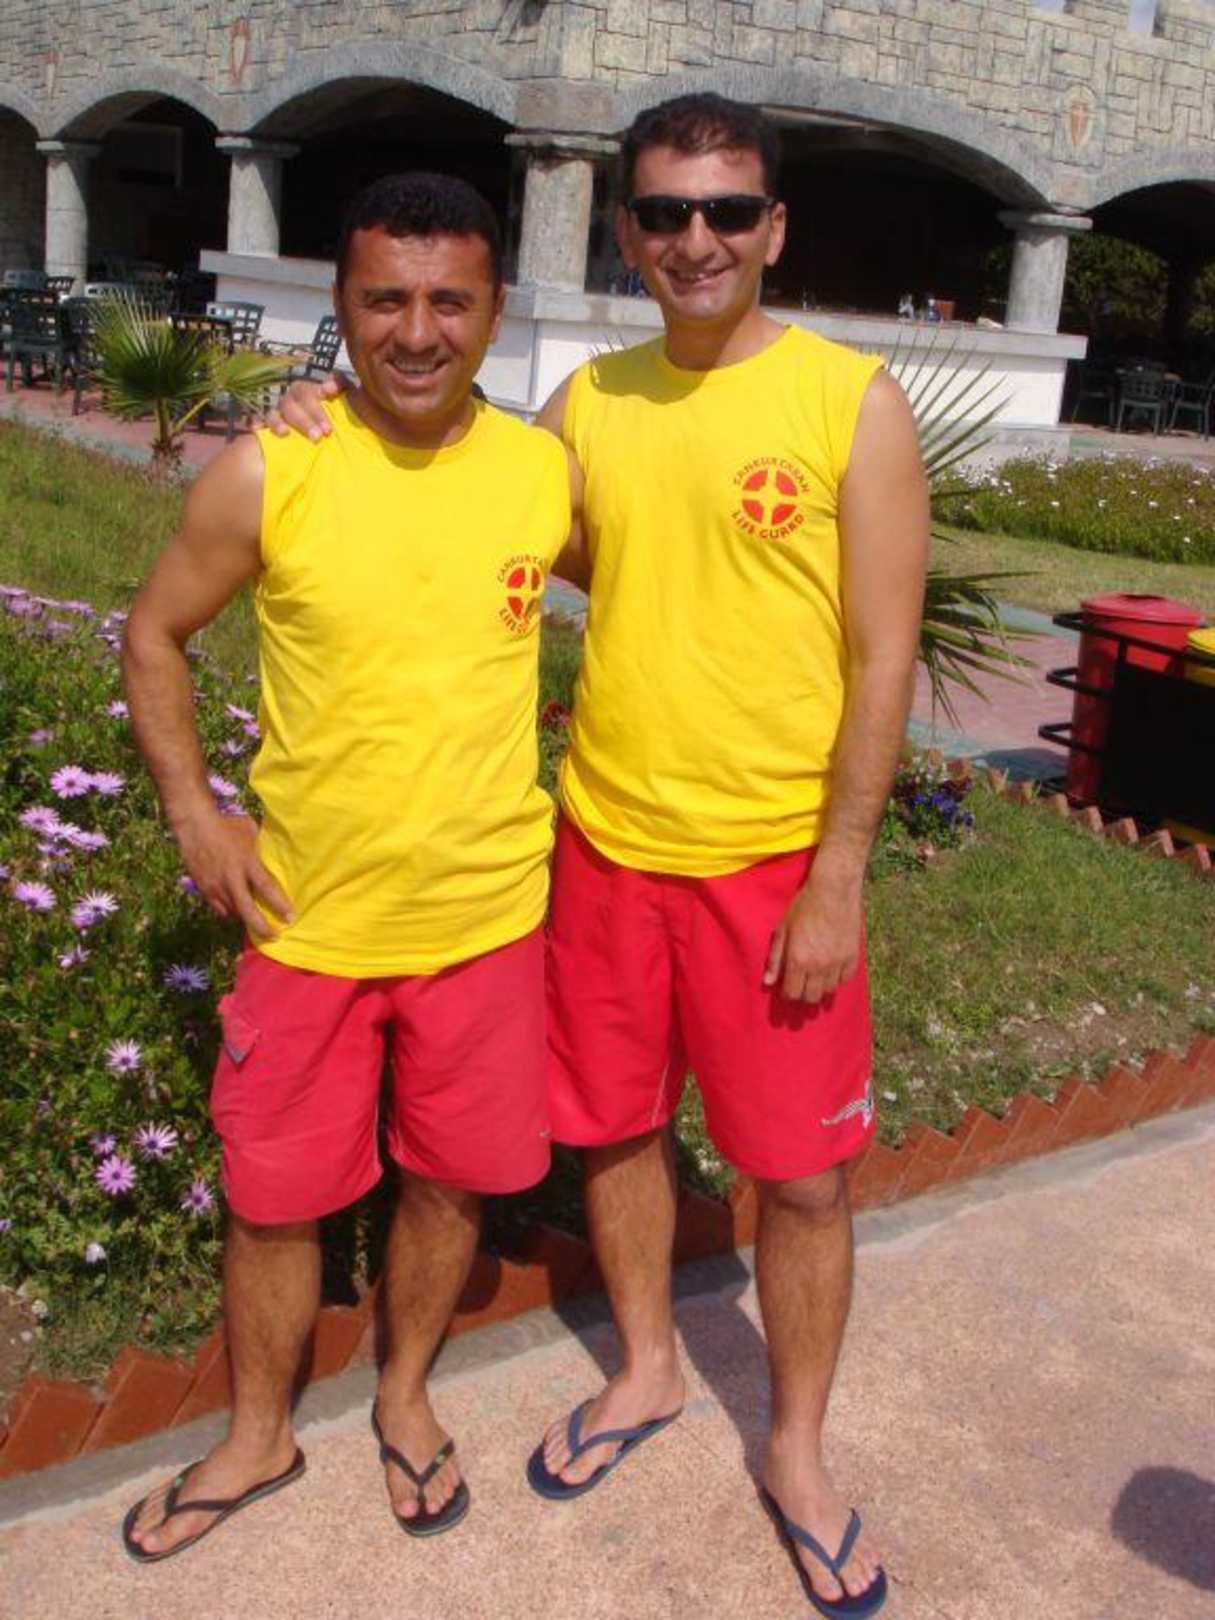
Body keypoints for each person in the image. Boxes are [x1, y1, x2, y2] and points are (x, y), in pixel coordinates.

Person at [279, 93, 927, 1618]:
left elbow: (884, 658)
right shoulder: (589, 405)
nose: (696, 239)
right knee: (618, 1130)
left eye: (727, 210)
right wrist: (314, 403)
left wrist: (839, 872)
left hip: (773, 864)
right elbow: (465, 486)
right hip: (607, 846)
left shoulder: (852, 403)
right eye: (665, 212)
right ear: (627, 231)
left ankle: (798, 1454)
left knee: (804, 1181)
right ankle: (647, 1368)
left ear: (773, 227)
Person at [119, 172, 578, 1562]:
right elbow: (154, 636)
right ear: (340, 306)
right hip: (306, 921)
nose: (417, 332)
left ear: (496, 310)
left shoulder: (544, 475)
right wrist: (197, 816)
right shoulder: (275, 467)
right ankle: (258, 1436)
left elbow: (674, 588)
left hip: (485, 920)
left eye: (449, 301)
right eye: (385, 300)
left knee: (449, 1183)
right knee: (274, 1203)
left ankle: (404, 1395)